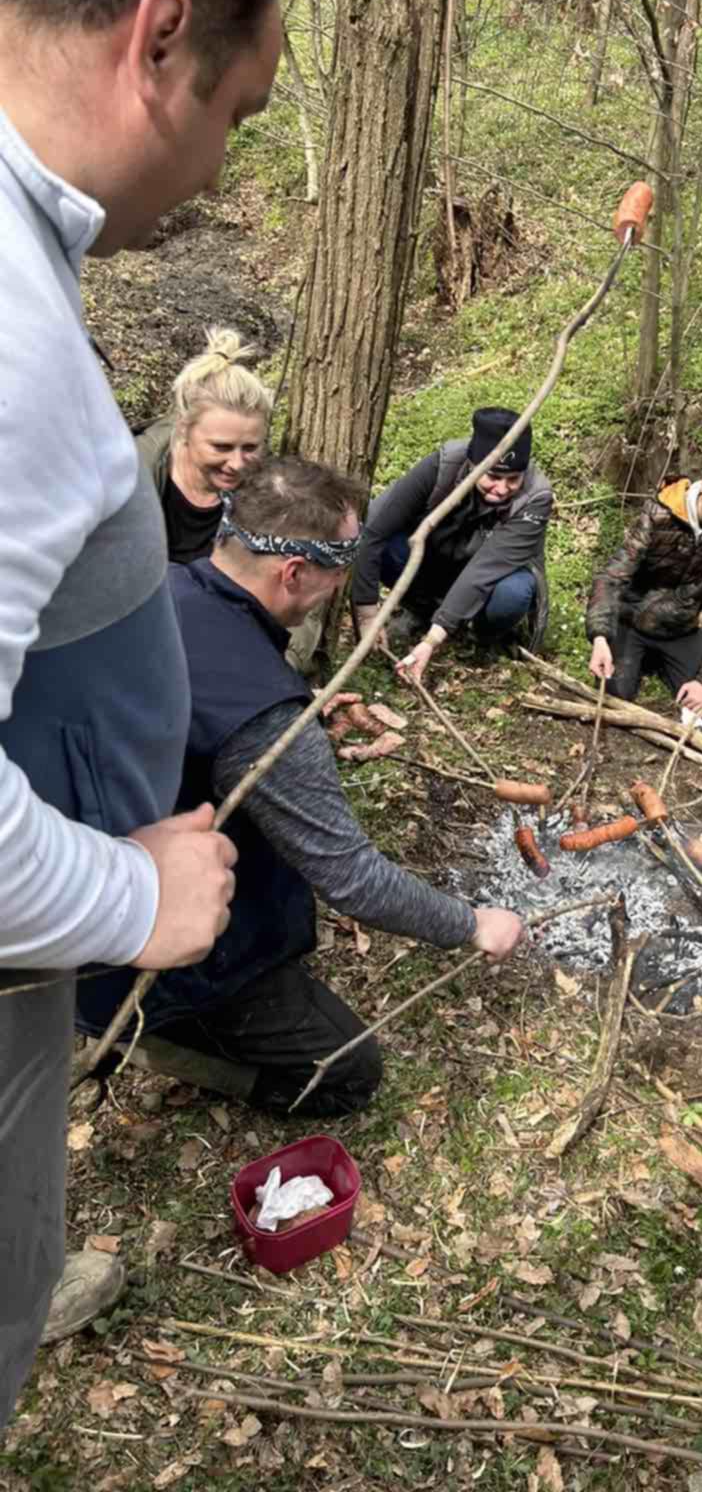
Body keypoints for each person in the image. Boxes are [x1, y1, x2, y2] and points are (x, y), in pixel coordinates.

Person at [0, 0, 282, 1404]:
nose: (225, 161)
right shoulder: (13, 344)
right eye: (238, 112)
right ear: (157, 40)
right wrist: (133, 892)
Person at [78, 457, 526, 1113]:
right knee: (348, 1073)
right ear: (293, 573)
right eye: (335, 577)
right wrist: (473, 923)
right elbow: (353, 879)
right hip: (148, 949)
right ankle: (164, 1039)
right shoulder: (263, 723)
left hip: (88, 888)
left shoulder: (160, 586)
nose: (336, 592)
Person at [351, 408, 554, 683]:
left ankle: (481, 633)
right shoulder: (443, 466)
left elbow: (484, 570)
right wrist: (367, 615)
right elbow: (374, 530)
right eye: (493, 477)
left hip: (489, 576)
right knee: (388, 545)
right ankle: (422, 610)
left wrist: (432, 640)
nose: (502, 489)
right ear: (472, 464)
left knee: (514, 593)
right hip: (433, 561)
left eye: (513, 480)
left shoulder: (535, 497)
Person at [586, 447, 702, 715]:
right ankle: (638, 657)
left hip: (679, 628)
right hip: (630, 619)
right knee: (615, 697)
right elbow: (613, 574)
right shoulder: (661, 509)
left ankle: (656, 660)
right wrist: (600, 636)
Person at [135, 326, 272, 563]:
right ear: (184, 429)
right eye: (221, 447)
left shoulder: (264, 489)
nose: (237, 464)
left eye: (250, 448)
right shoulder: (134, 476)